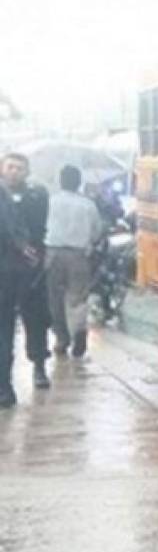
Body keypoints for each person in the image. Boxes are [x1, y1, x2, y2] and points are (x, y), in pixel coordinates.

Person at [1, 153, 52, 389]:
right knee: (4, 326)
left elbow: (38, 226)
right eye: (10, 167)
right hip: (4, 269)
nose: (14, 172)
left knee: (36, 319)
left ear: (27, 172)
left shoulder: (36, 195)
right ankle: (4, 382)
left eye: (19, 168)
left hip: (31, 269)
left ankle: (39, 366)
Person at [45, 165, 104, 359]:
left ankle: (61, 339)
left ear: (60, 181)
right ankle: (79, 331)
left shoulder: (50, 202)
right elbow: (97, 232)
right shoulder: (88, 205)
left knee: (54, 299)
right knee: (77, 298)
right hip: (79, 256)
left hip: (52, 254)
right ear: (79, 183)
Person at [0, 177, 40, 408]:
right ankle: (4, 388)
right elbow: (13, 232)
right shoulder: (4, 197)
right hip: (6, 274)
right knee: (4, 330)